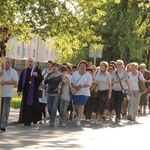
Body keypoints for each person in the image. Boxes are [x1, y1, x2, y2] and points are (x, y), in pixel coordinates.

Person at [17, 58, 43, 126]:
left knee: (34, 106)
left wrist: (37, 76)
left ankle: (34, 119)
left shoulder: (37, 70)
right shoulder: (24, 71)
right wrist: (19, 90)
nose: (30, 63)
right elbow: (20, 81)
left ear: (33, 63)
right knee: (26, 106)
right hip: (26, 92)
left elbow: (41, 79)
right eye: (29, 62)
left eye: (31, 62)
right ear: (27, 63)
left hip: (34, 92)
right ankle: (27, 120)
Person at [70, 60, 92, 126]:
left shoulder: (88, 74)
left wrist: (82, 86)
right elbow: (71, 81)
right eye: (81, 65)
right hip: (76, 92)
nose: (82, 67)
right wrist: (74, 86)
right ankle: (78, 115)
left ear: (86, 67)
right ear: (79, 66)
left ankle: (79, 120)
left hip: (84, 92)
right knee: (76, 106)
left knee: (81, 105)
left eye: (84, 66)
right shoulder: (76, 73)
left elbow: (89, 84)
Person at [0, 57, 18, 131]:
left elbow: (15, 81)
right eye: (6, 62)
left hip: (7, 94)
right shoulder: (1, 70)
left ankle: (4, 125)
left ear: (11, 64)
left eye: (8, 63)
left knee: (5, 110)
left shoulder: (13, 72)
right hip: (0, 93)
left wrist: (6, 82)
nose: (7, 64)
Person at [44, 63, 62, 127]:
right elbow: (45, 82)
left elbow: (61, 83)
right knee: (49, 108)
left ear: (58, 67)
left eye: (55, 66)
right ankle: (52, 117)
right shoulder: (49, 74)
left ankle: (52, 121)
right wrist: (49, 78)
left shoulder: (60, 75)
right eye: (53, 66)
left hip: (56, 94)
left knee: (54, 108)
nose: (54, 68)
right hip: (49, 93)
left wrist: (59, 87)